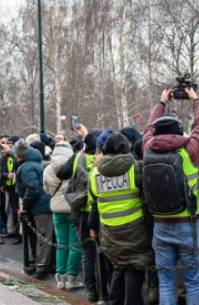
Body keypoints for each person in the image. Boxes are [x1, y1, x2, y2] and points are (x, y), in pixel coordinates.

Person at [143, 87, 199, 305]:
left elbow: (147, 127)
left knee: (166, 282)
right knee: (192, 282)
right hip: (188, 224)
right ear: (179, 131)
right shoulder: (190, 149)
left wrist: (161, 102)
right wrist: (196, 99)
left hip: (160, 225)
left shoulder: (147, 149)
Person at [89, 133, 154, 305]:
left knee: (119, 265)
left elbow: (94, 201)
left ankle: (114, 301)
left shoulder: (95, 173)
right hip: (136, 230)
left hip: (109, 231)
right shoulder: (136, 167)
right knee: (134, 267)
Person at [56, 124, 100, 302]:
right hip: (101, 212)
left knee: (87, 253)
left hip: (81, 212)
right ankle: (106, 288)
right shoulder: (103, 159)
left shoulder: (76, 158)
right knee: (104, 252)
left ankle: (91, 291)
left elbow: (61, 173)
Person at [43, 141, 84, 290]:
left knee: (61, 244)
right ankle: (71, 278)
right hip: (73, 209)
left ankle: (60, 279)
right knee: (75, 244)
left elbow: (47, 190)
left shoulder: (48, 169)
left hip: (57, 210)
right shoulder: (75, 166)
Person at [14, 140, 53, 280]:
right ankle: (43, 264)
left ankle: (42, 267)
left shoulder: (26, 167)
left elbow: (33, 189)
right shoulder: (34, 163)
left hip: (40, 206)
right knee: (44, 236)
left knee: (43, 237)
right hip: (44, 204)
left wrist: (25, 203)